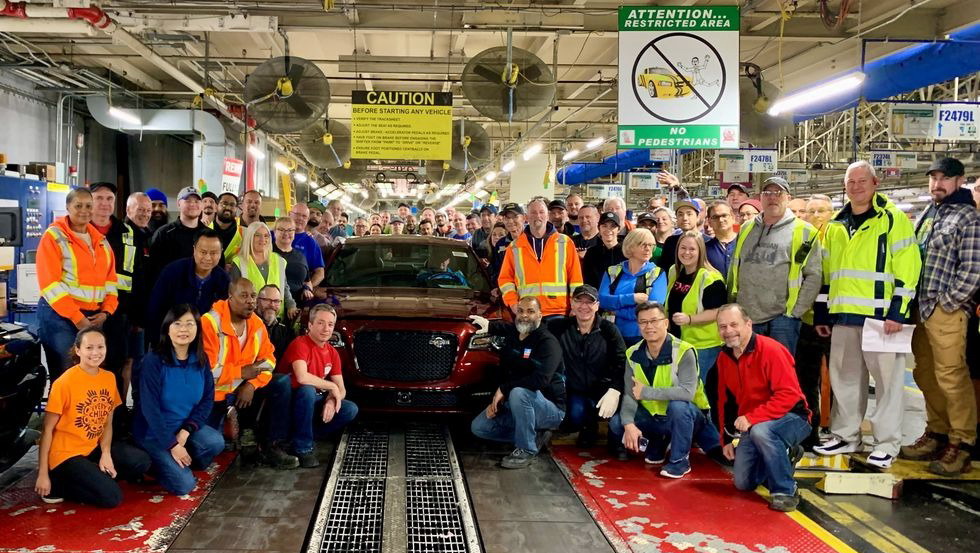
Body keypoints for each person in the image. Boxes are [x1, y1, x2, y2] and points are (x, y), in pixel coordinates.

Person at [812, 161, 921, 468]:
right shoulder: (835, 225)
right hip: (844, 316)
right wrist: (823, 313)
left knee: (887, 384)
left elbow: (908, 266)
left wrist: (899, 311)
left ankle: (886, 443)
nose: (856, 187)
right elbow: (828, 272)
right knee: (845, 380)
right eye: (851, 182)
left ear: (875, 183)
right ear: (844, 187)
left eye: (862, 181)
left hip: (882, 318)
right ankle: (846, 435)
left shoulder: (892, 219)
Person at [903, 157, 980, 475]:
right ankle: (937, 432)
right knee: (925, 374)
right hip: (921, 308)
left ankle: (962, 442)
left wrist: (948, 303)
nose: (937, 183)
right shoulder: (930, 212)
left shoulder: (968, 217)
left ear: (959, 181)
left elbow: (973, 268)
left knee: (951, 376)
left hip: (945, 309)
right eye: (933, 178)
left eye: (944, 178)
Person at [35, 328, 151, 507]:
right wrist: (42, 474)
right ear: (78, 350)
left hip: (91, 448)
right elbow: (47, 430)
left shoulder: (109, 378)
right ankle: (57, 484)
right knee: (112, 498)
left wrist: (106, 454)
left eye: (100, 347)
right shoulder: (64, 383)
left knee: (141, 462)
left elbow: (107, 423)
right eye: (89, 347)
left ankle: (93, 476)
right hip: (65, 454)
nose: (95, 353)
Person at [715, 304, 810, 512]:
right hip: (754, 422)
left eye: (734, 324)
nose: (728, 331)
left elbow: (789, 395)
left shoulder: (771, 350)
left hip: (793, 417)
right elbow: (724, 400)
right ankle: (785, 454)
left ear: (748, 324)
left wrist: (752, 418)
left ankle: (786, 491)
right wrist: (725, 439)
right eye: (722, 326)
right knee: (743, 483)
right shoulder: (724, 357)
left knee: (762, 431)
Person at [609, 302, 721, 475]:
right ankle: (659, 440)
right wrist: (629, 424)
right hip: (654, 416)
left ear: (666, 323)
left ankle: (679, 462)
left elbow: (687, 393)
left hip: (689, 416)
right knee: (618, 423)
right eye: (643, 322)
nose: (649, 326)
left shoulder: (684, 351)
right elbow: (631, 395)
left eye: (654, 321)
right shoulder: (632, 353)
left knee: (679, 406)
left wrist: (646, 392)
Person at [201, 278, 297, 469]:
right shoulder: (210, 322)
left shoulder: (256, 323)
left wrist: (252, 384)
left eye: (253, 296)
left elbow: (269, 361)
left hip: (244, 387)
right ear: (230, 297)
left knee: (281, 383)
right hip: (214, 393)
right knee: (207, 451)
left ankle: (271, 445)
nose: (250, 301)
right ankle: (236, 435)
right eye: (243, 296)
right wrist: (241, 373)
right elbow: (206, 372)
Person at [133, 305, 225, 496]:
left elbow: (207, 400)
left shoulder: (201, 359)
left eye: (190, 324)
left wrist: (185, 432)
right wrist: (172, 445)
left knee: (215, 442)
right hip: (154, 433)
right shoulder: (153, 360)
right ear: (167, 328)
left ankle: (180, 461)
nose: (184, 329)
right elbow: (150, 409)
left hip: (182, 428)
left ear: (197, 328)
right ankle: (154, 464)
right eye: (177, 324)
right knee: (184, 485)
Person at [727, 177, 821, 355]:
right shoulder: (746, 228)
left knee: (779, 368)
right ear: (761, 197)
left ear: (788, 198)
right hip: (745, 316)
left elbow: (813, 275)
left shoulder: (805, 231)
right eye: (767, 193)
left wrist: (795, 312)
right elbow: (735, 266)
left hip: (782, 320)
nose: (772, 197)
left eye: (778, 193)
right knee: (747, 366)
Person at [469, 297, 565, 468]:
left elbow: (541, 380)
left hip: (550, 409)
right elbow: (506, 329)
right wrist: (489, 325)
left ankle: (526, 449)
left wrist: (503, 390)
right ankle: (533, 436)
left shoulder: (548, 343)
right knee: (480, 427)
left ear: (540, 315)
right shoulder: (515, 334)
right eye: (520, 311)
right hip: (518, 403)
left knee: (519, 392)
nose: (524, 315)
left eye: (530, 311)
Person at [37, 188, 118, 380]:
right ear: (67, 207)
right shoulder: (54, 236)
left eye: (88, 206)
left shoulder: (101, 241)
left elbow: (111, 282)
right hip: (59, 316)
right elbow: (50, 285)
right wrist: (77, 318)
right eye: (78, 206)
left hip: (93, 316)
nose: (84, 211)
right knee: (66, 372)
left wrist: (106, 312)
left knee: (90, 372)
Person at [275, 304, 359, 468]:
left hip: (314, 401)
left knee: (350, 409)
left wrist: (331, 400)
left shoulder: (332, 352)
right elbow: (302, 377)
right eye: (320, 323)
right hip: (292, 401)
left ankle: (302, 436)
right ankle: (303, 448)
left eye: (330, 324)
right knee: (307, 390)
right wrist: (331, 387)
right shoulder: (300, 344)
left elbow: (341, 389)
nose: (326, 328)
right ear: (310, 325)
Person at [547, 285, 626, 449]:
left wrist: (615, 389)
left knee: (616, 414)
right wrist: (495, 327)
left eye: (589, 302)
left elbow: (622, 362)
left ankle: (615, 436)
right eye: (579, 301)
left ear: (597, 306)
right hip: (575, 390)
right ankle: (587, 426)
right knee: (574, 416)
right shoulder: (559, 327)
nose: (584, 306)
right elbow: (532, 329)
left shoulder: (609, 330)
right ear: (572, 303)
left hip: (603, 390)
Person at [794, 193, 840, 447]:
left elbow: (829, 278)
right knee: (806, 380)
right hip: (805, 322)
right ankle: (809, 431)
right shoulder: (804, 240)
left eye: (821, 211)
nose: (815, 216)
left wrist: (822, 313)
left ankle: (836, 430)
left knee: (839, 380)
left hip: (833, 321)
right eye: (810, 211)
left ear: (831, 213)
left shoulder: (836, 238)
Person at [88, 182, 139, 398]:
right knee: (88, 363)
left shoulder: (127, 231)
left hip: (118, 311)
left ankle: (116, 413)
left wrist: (131, 313)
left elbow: (134, 273)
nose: (104, 203)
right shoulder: (79, 230)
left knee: (116, 363)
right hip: (86, 312)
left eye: (109, 199)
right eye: (99, 198)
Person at [498, 199, 583, 318]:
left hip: (558, 311)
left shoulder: (565, 243)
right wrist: (512, 303)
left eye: (541, 212)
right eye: (533, 212)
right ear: (526, 217)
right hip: (527, 313)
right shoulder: (514, 247)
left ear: (547, 215)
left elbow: (576, 279)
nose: (538, 216)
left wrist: (576, 305)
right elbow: (505, 279)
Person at [145, 229, 230, 346]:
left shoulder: (224, 279)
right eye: (203, 252)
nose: (208, 258)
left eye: (213, 253)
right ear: (194, 250)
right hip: (170, 341)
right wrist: (159, 341)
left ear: (221, 252)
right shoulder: (173, 272)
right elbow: (155, 308)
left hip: (205, 344)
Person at [665, 231, 728, 382]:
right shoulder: (674, 271)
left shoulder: (710, 277)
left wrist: (690, 319)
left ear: (701, 251)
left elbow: (718, 312)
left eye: (692, 249)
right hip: (678, 342)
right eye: (683, 248)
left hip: (703, 346)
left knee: (697, 389)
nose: (686, 253)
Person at [599, 228, 667, 345]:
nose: (648, 249)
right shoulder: (612, 271)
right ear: (630, 247)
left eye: (651, 245)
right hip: (611, 334)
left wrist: (616, 312)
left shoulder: (658, 274)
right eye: (643, 244)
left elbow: (652, 310)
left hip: (642, 336)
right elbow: (602, 300)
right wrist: (632, 298)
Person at [229, 221, 297, 319]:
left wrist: (291, 304)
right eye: (258, 235)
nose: (263, 239)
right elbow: (234, 294)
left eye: (266, 236)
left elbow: (284, 287)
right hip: (250, 318)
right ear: (249, 237)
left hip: (276, 318)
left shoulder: (279, 260)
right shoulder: (239, 262)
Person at [148, 186, 204, 288]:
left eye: (196, 201)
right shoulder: (163, 233)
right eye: (188, 200)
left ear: (201, 205)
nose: (192, 204)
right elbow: (153, 271)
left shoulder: (210, 235)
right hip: (171, 293)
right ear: (178, 204)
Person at [124, 192, 153, 373]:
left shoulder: (147, 236)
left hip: (142, 312)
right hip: (127, 312)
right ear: (128, 210)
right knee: (128, 360)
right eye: (141, 209)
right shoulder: (124, 236)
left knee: (138, 359)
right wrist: (134, 316)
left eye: (148, 210)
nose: (145, 214)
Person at [272, 216, 311, 306]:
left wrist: (307, 289)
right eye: (281, 230)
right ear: (274, 232)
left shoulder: (300, 257)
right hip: (274, 305)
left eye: (290, 230)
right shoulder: (267, 253)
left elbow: (307, 281)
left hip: (298, 307)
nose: (286, 233)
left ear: (294, 232)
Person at [582, 211, 626, 289]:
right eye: (604, 226)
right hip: (598, 295)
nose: (608, 230)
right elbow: (587, 281)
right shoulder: (592, 253)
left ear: (618, 229)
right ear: (599, 228)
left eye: (613, 226)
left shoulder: (627, 251)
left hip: (622, 294)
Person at [287, 203, 326, 290]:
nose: (300, 218)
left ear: (307, 219)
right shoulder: (272, 235)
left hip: (297, 293)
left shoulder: (311, 243)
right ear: (289, 214)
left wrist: (308, 287)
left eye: (304, 216)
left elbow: (320, 273)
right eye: (297, 214)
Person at [656, 200, 700, 271]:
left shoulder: (707, 242)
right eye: (680, 214)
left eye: (689, 214)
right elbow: (663, 268)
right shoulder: (671, 241)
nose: (685, 218)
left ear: (697, 217)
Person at [224, 190, 264, 261]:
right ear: (242, 205)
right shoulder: (230, 226)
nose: (253, 205)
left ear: (261, 206)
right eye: (249, 201)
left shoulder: (266, 231)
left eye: (256, 202)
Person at [257, 284, 296, 359]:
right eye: (267, 300)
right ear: (257, 301)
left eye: (276, 301)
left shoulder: (286, 332)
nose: (272, 305)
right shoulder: (247, 326)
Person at [489, 203, 524, 284]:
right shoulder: (500, 244)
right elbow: (497, 270)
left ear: (523, 218)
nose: (510, 221)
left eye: (515, 217)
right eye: (507, 218)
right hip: (507, 289)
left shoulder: (532, 240)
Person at [704, 201, 738, 278]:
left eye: (724, 215)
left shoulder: (744, 243)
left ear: (733, 217)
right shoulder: (705, 249)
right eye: (715, 217)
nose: (720, 220)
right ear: (709, 222)